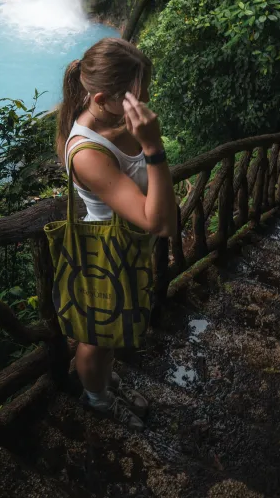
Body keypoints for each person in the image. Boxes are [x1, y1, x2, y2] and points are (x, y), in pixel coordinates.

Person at [57, 37, 177, 431]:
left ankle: (104, 380)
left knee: (108, 336)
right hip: (103, 255)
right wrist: (154, 146)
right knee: (95, 338)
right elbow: (158, 221)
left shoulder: (115, 116)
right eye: (134, 98)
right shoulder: (88, 153)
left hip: (128, 248)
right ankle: (98, 399)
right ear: (104, 98)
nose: (143, 106)